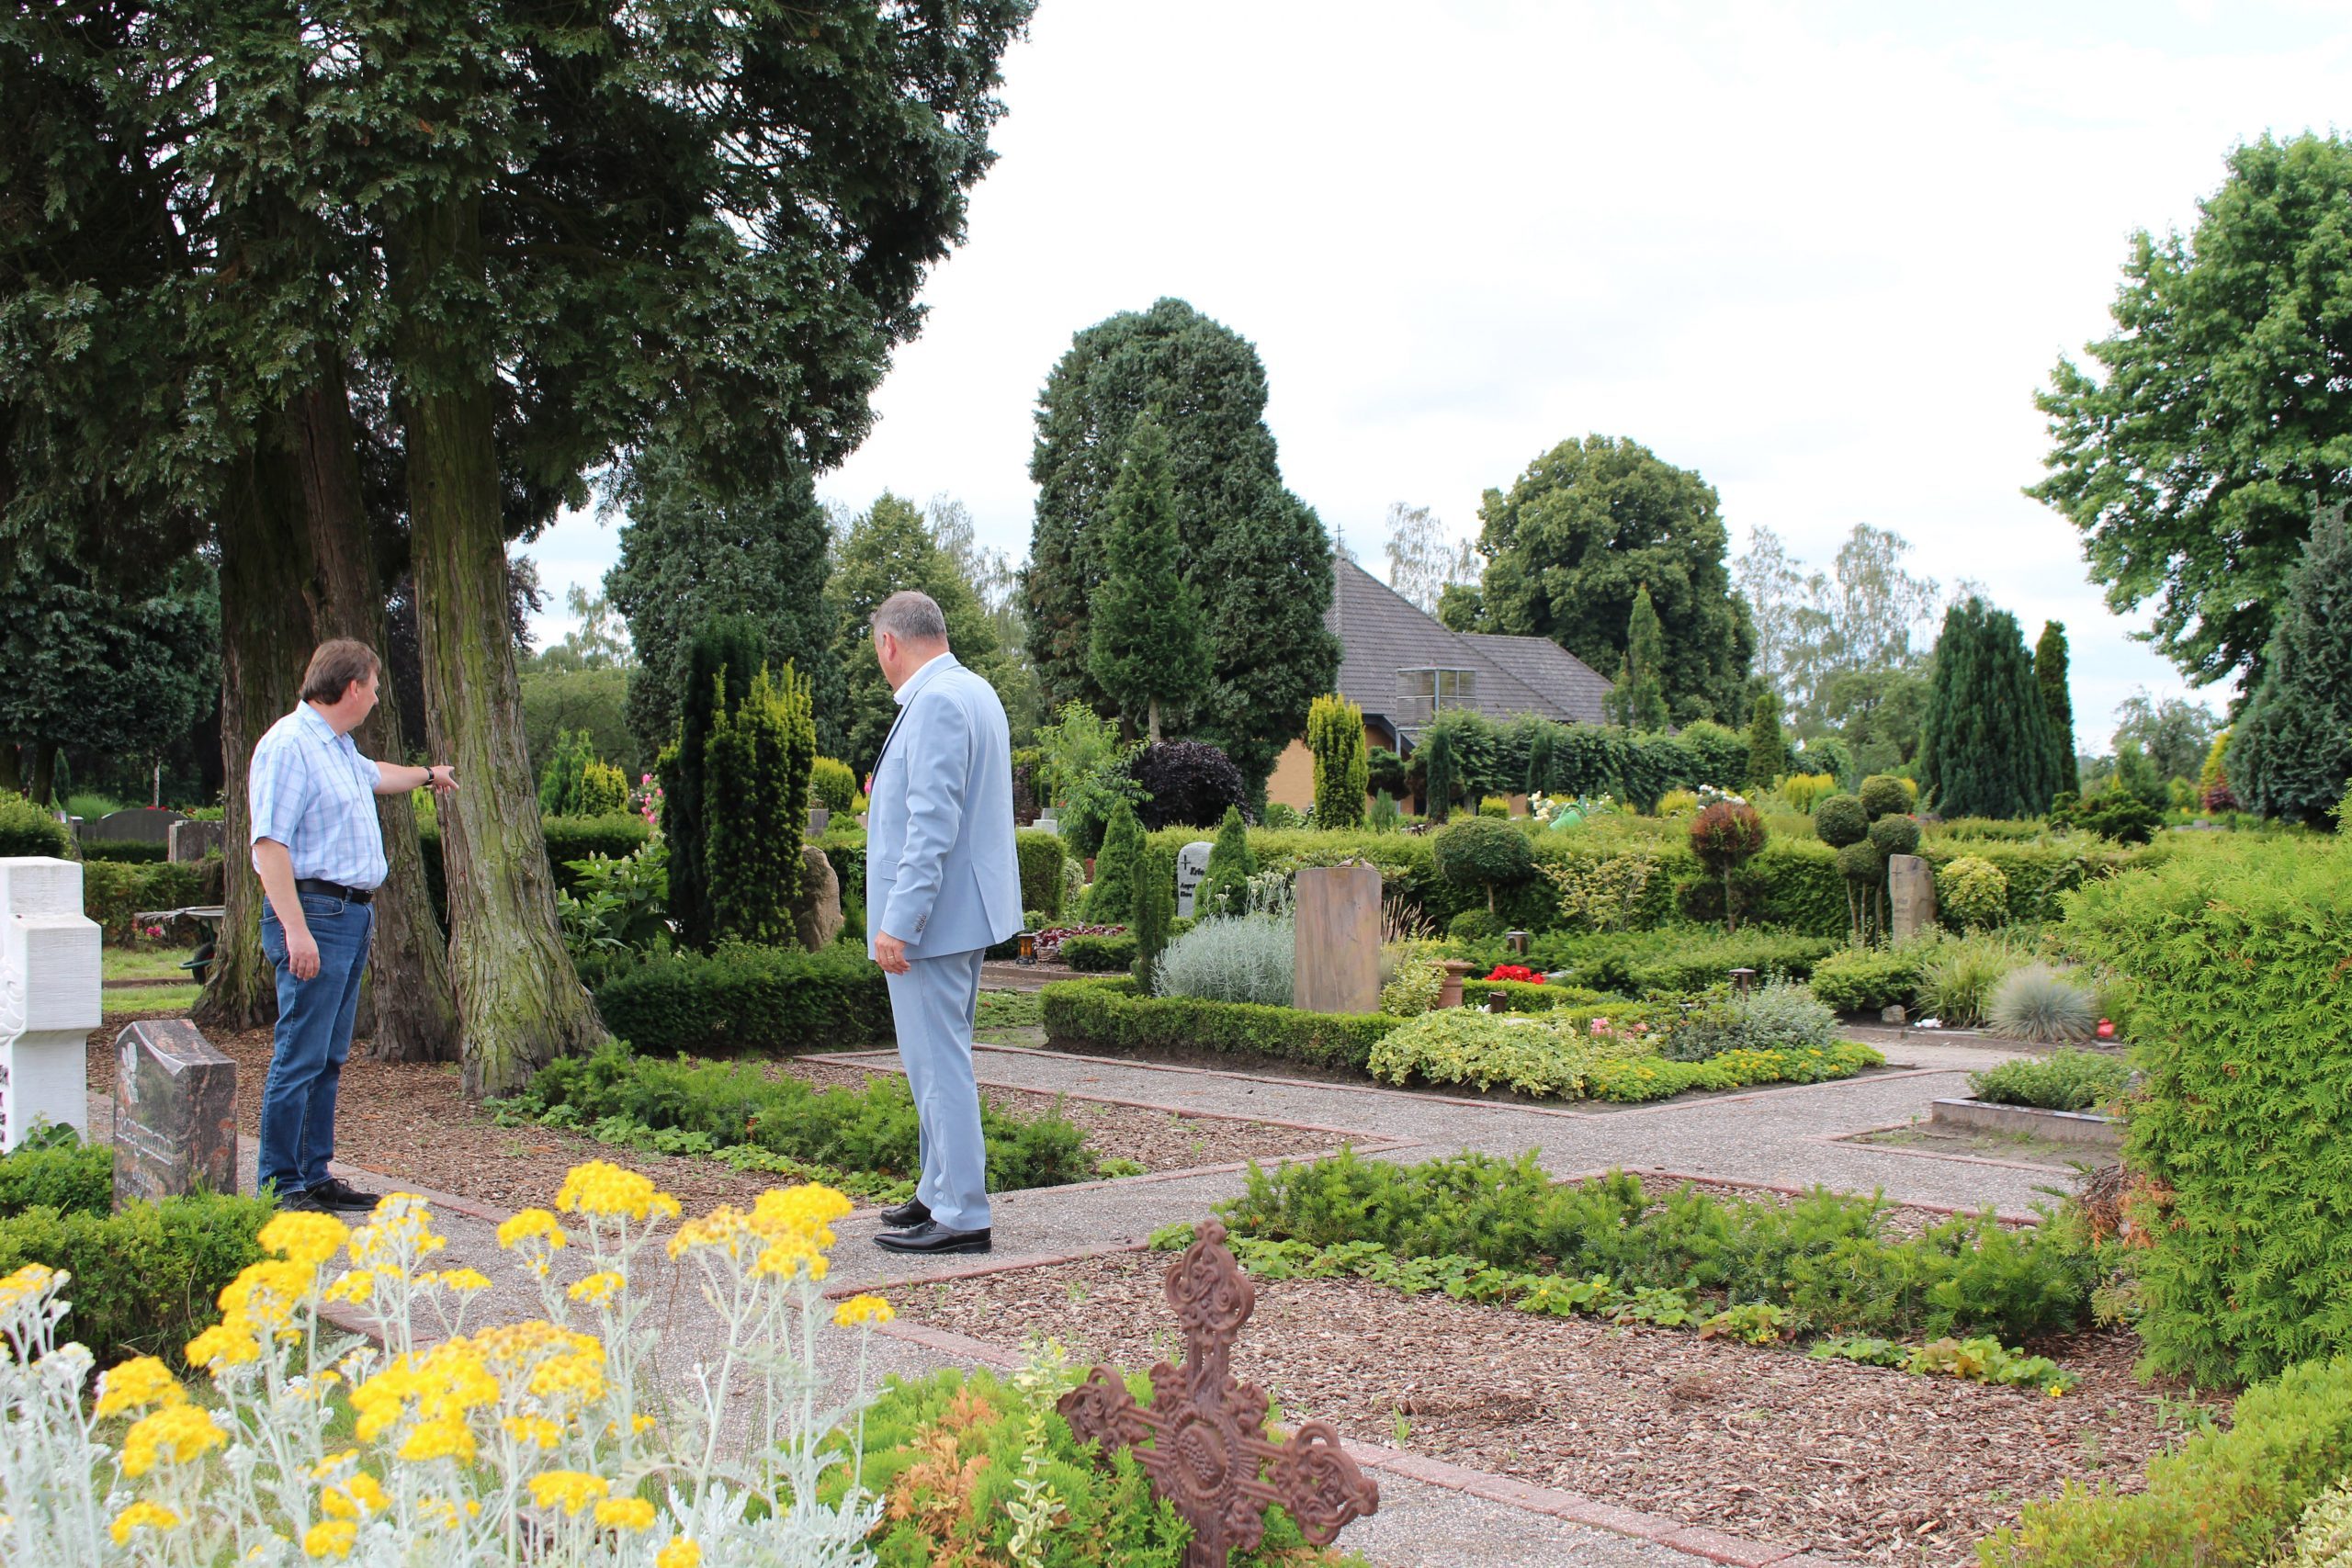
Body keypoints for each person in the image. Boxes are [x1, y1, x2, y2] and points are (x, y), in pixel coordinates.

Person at [248, 638, 457, 1213]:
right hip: (314, 913)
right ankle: (280, 1184)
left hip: (349, 913)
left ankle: (313, 1173)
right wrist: (295, 929)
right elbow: (269, 844)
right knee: (299, 1052)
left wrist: (427, 774)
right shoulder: (289, 746)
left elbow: (376, 776)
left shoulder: (337, 746)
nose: (378, 695)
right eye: (375, 685)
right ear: (352, 689)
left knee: (328, 1055)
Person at [864, 591, 1023, 1254]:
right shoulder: (976, 690)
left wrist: (899, 920)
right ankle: (937, 1188)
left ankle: (961, 1210)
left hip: (933, 921)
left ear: (890, 645)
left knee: (937, 1064)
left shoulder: (933, 703)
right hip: (964, 913)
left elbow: (931, 823)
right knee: (935, 1058)